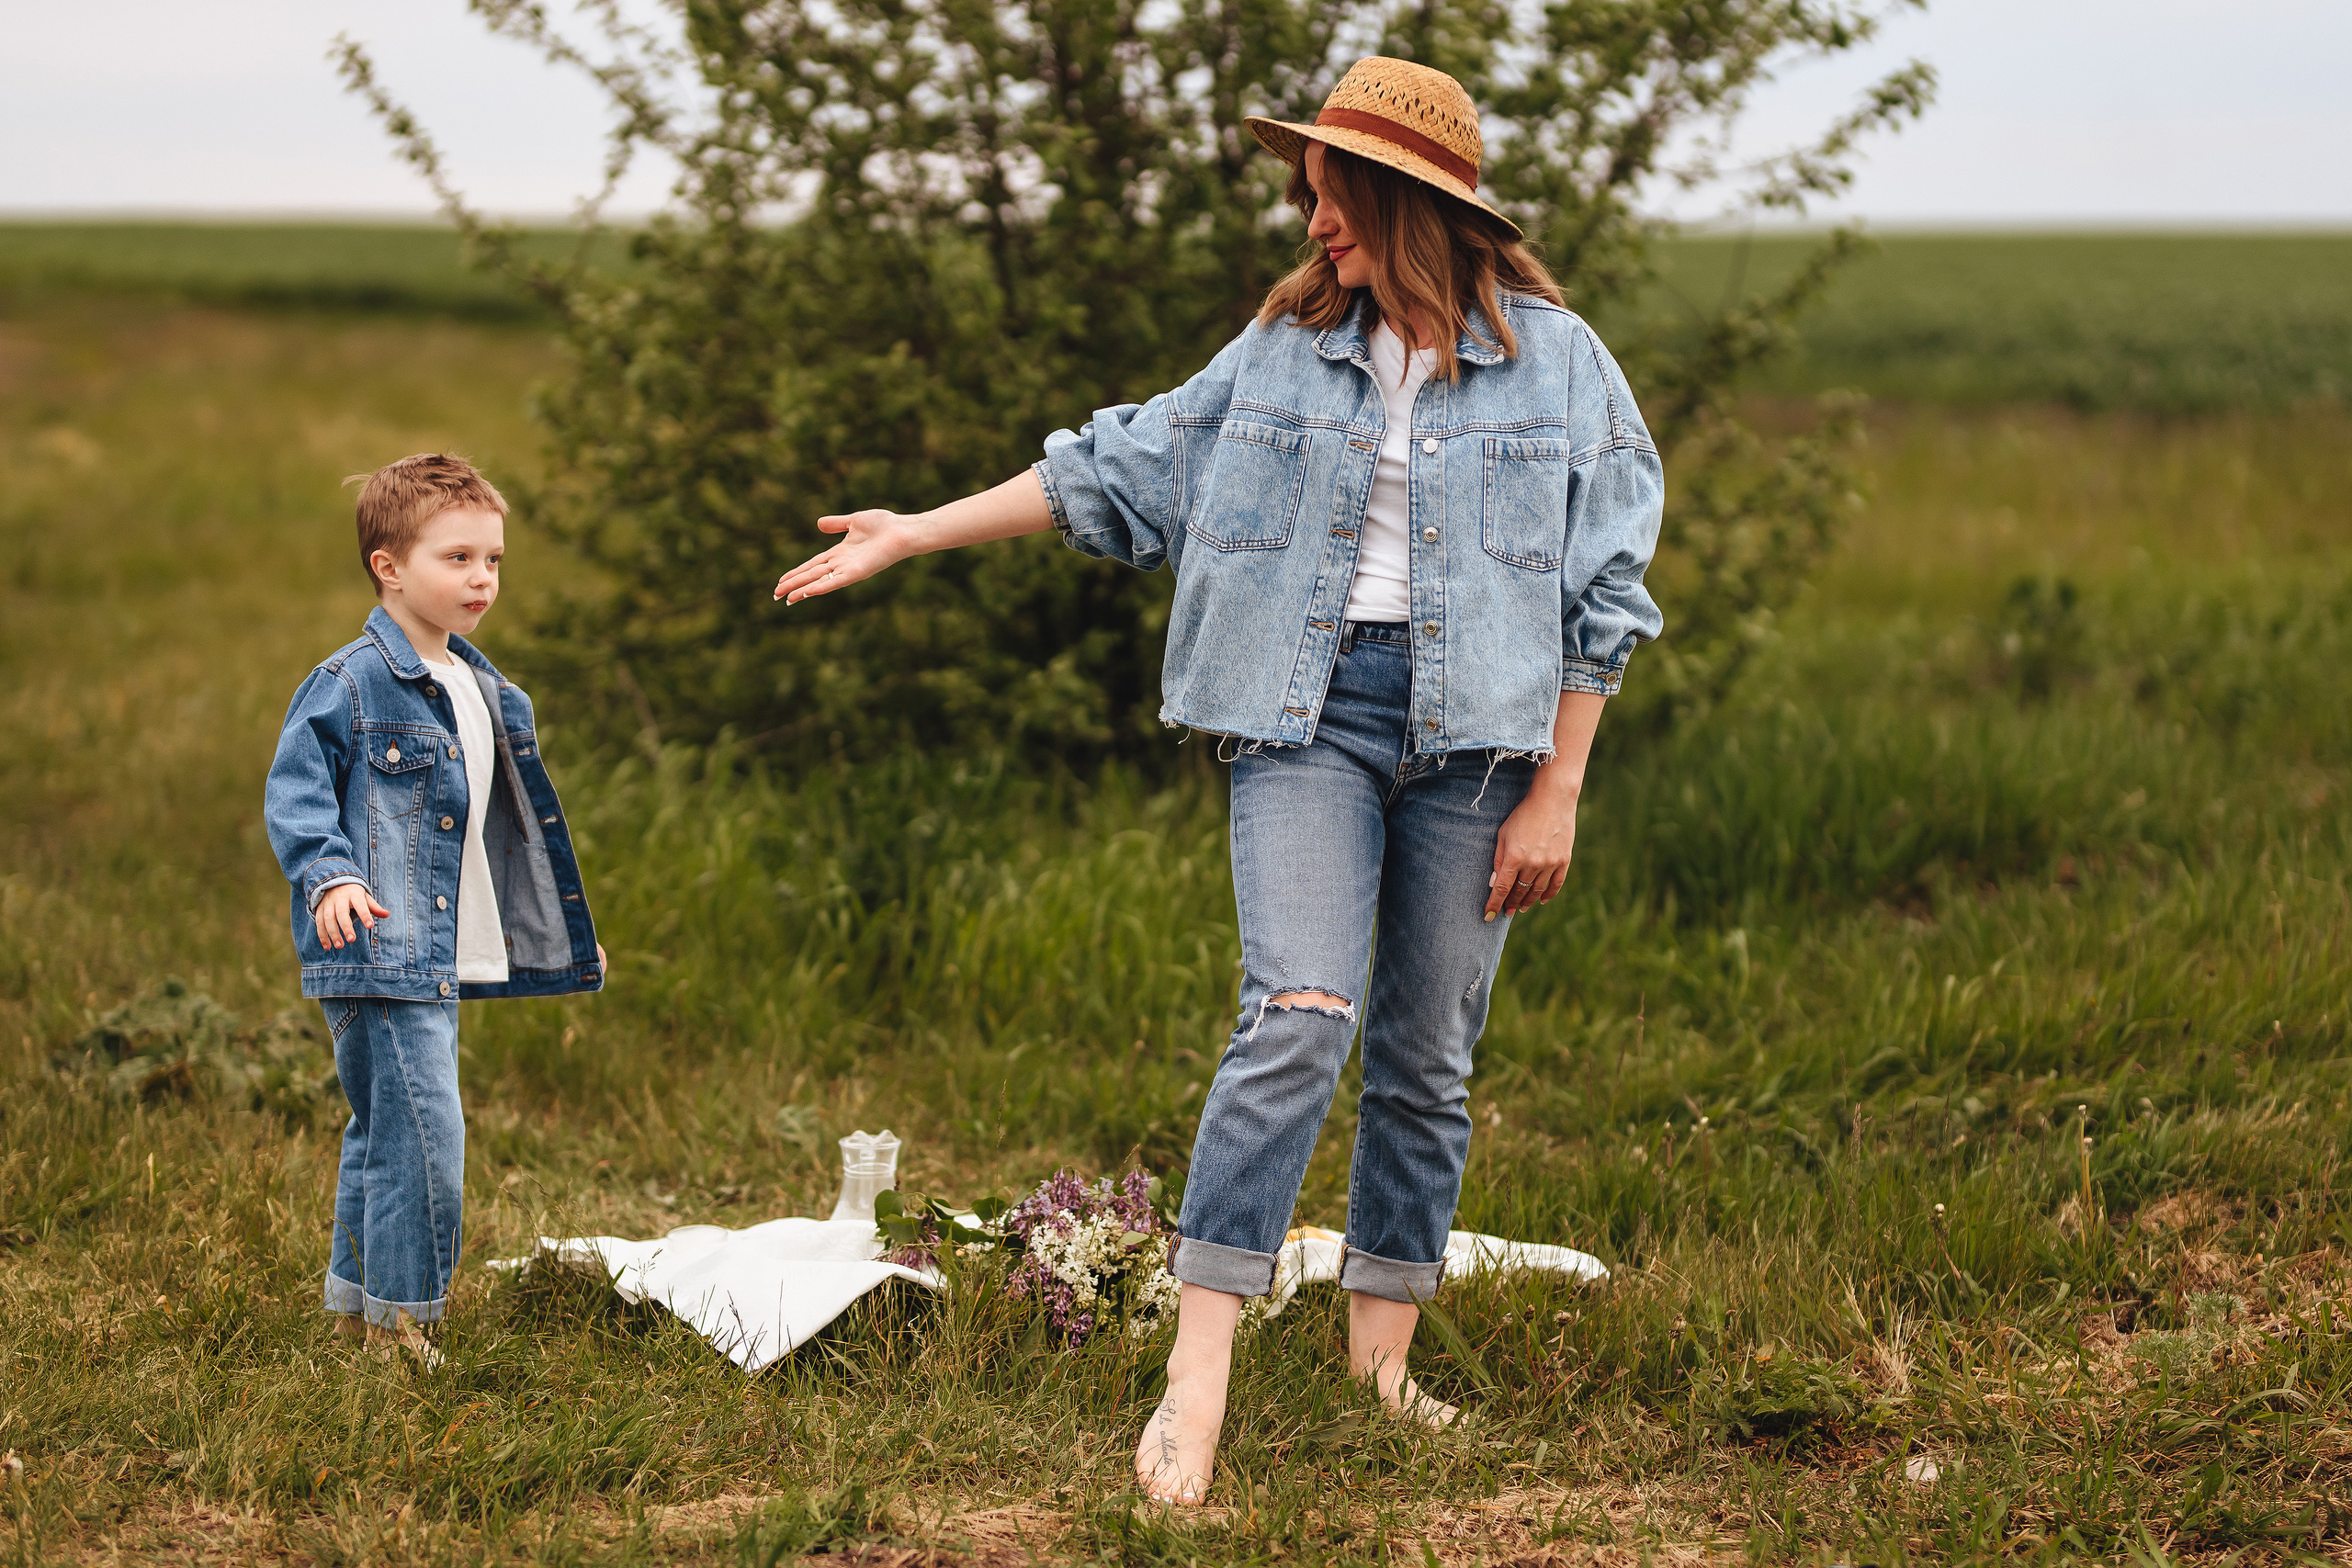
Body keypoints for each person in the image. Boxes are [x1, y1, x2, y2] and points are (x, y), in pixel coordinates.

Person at [773, 57, 1663, 1501]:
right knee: (1301, 1011)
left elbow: (1606, 594)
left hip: (1484, 745)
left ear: (1411, 207)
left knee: (1429, 1053)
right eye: (1312, 200)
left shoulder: (1563, 366)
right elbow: (1116, 468)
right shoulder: (1280, 350)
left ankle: (1382, 1368)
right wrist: (915, 532)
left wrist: (1559, 786)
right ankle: (1201, 1377)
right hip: (1304, 718)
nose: (1315, 229)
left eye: (1336, 204)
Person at [265, 453, 606, 1367]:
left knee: (385, 1135)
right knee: (425, 1144)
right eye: (456, 559)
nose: (482, 579)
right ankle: (403, 1325)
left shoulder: (481, 685)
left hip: (435, 953)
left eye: (492, 561)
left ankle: (356, 1316)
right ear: (389, 566)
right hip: (381, 947)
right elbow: (297, 793)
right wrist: (330, 875)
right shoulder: (350, 684)